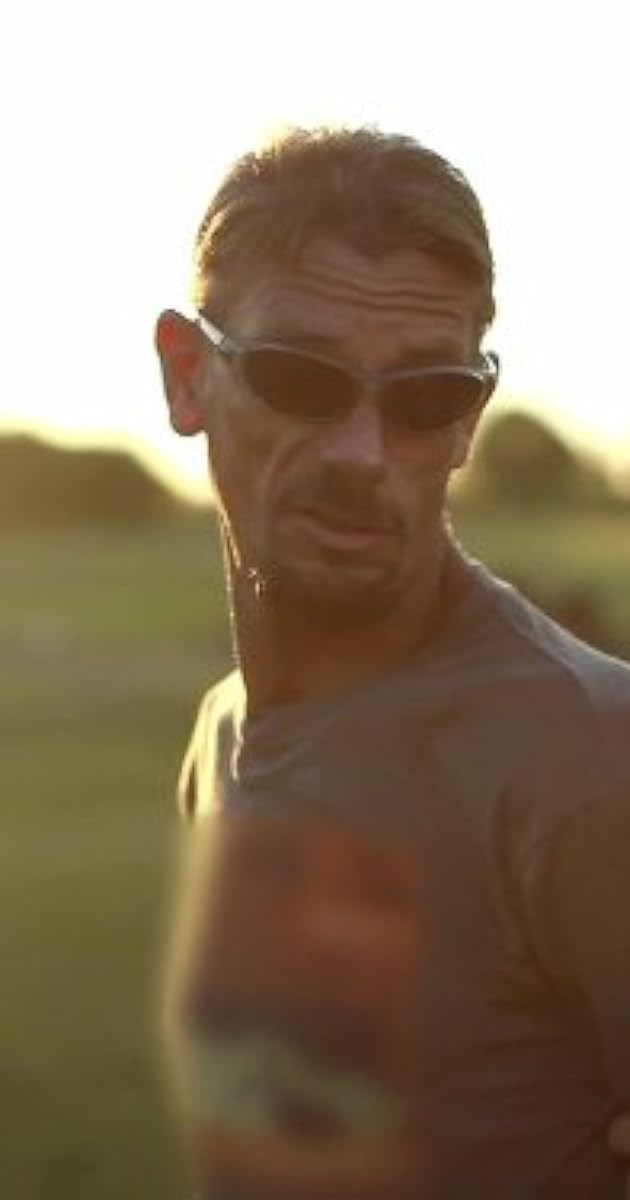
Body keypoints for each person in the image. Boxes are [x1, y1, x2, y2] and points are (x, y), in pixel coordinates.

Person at [155, 127, 630, 1197]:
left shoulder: (591, 759)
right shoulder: (222, 732)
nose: (362, 454)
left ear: (469, 422)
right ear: (188, 377)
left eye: (425, 398)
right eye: (297, 379)